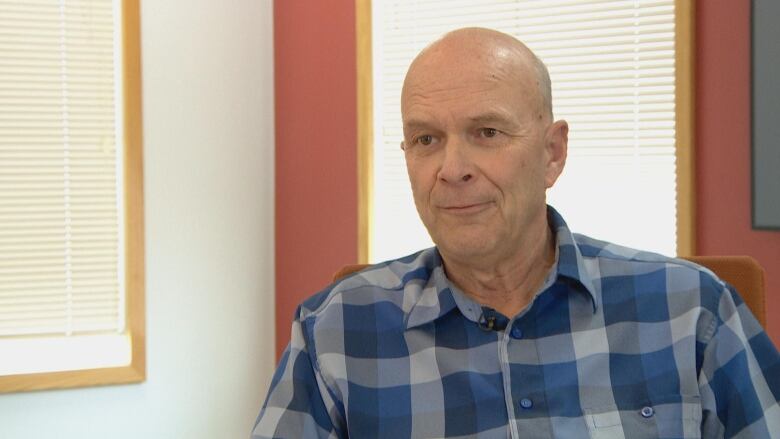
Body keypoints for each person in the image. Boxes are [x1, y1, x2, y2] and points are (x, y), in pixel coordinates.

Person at [252, 28, 780, 438]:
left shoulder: (691, 310)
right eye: (427, 138)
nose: (451, 168)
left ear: (552, 153)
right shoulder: (336, 333)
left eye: (487, 132)